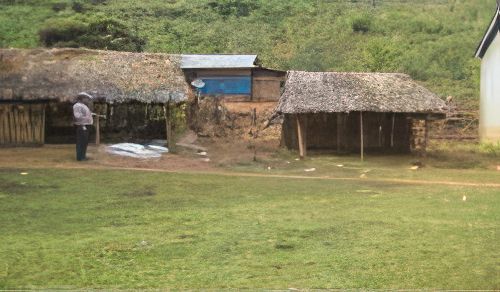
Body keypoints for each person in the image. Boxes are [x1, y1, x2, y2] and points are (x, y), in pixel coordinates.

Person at [73, 92, 93, 161]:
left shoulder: (84, 106)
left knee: (85, 142)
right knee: (81, 142)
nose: (87, 100)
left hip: (86, 125)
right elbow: (77, 116)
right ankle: (80, 157)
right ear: (81, 98)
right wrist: (85, 118)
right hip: (82, 125)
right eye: (85, 98)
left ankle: (83, 156)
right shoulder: (78, 106)